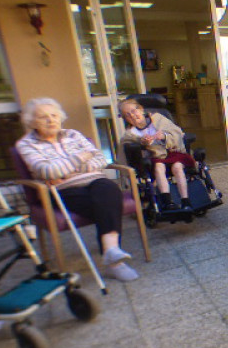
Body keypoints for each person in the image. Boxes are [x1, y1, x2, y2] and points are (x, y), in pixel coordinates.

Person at [16, 98, 139, 281]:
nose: (51, 120)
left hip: (93, 181)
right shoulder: (26, 144)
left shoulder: (73, 135)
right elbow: (47, 171)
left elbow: (100, 160)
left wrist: (66, 169)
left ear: (61, 117)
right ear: (32, 122)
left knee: (109, 189)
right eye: (43, 117)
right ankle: (115, 261)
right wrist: (82, 158)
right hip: (61, 190)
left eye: (54, 115)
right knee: (106, 204)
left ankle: (111, 251)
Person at [118, 98, 196, 211]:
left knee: (177, 167)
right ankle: (167, 202)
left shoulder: (158, 119)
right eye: (127, 115)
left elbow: (177, 132)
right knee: (159, 167)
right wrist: (143, 144)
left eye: (134, 111)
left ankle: (185, 201)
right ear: (126, 119)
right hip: (155, 159)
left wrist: (164, 136)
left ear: (140, 109)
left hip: (173, 153)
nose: (132, 115)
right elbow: (126, 150)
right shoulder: (130, 134)